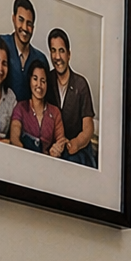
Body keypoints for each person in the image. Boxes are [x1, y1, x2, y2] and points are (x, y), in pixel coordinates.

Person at [46, 28, 96, 168]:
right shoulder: (46, 81)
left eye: (61, 51)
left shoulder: (81, 84)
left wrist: (77, 143)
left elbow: (88, 127)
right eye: (53, 50)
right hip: (53, 148)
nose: (57, 57)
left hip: (77, 150)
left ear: (69, 54)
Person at [10, 63, 66, 155]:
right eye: (35, 79)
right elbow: (14, 137)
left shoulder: (55, 112)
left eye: (43, 81)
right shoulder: (20, 107)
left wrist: (56, 150)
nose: (39, 85)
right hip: (24, 158)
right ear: (29, 81)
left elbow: (61, 140)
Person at [2, 0, 49, 105]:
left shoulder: (40, 59)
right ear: (13, 19)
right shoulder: (1, 46)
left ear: (33, 27)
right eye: (21, 20)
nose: (24, 27)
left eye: (29, 24)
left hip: (28, 120)